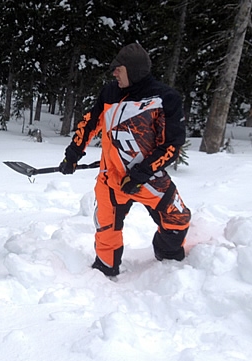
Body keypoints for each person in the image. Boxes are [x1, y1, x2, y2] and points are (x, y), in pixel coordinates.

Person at [59, 43, 191, 277]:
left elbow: (172, 145)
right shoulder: (110, 93)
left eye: (118, 69)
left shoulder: (165, 98)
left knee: (177, 220)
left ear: (134, 70)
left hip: (149, 179)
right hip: (112, 182)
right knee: (106, 231)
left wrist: (140, 174)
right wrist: (72, 156)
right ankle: (104, 273)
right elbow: (89, 123)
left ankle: (169, 265)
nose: (114, 74)